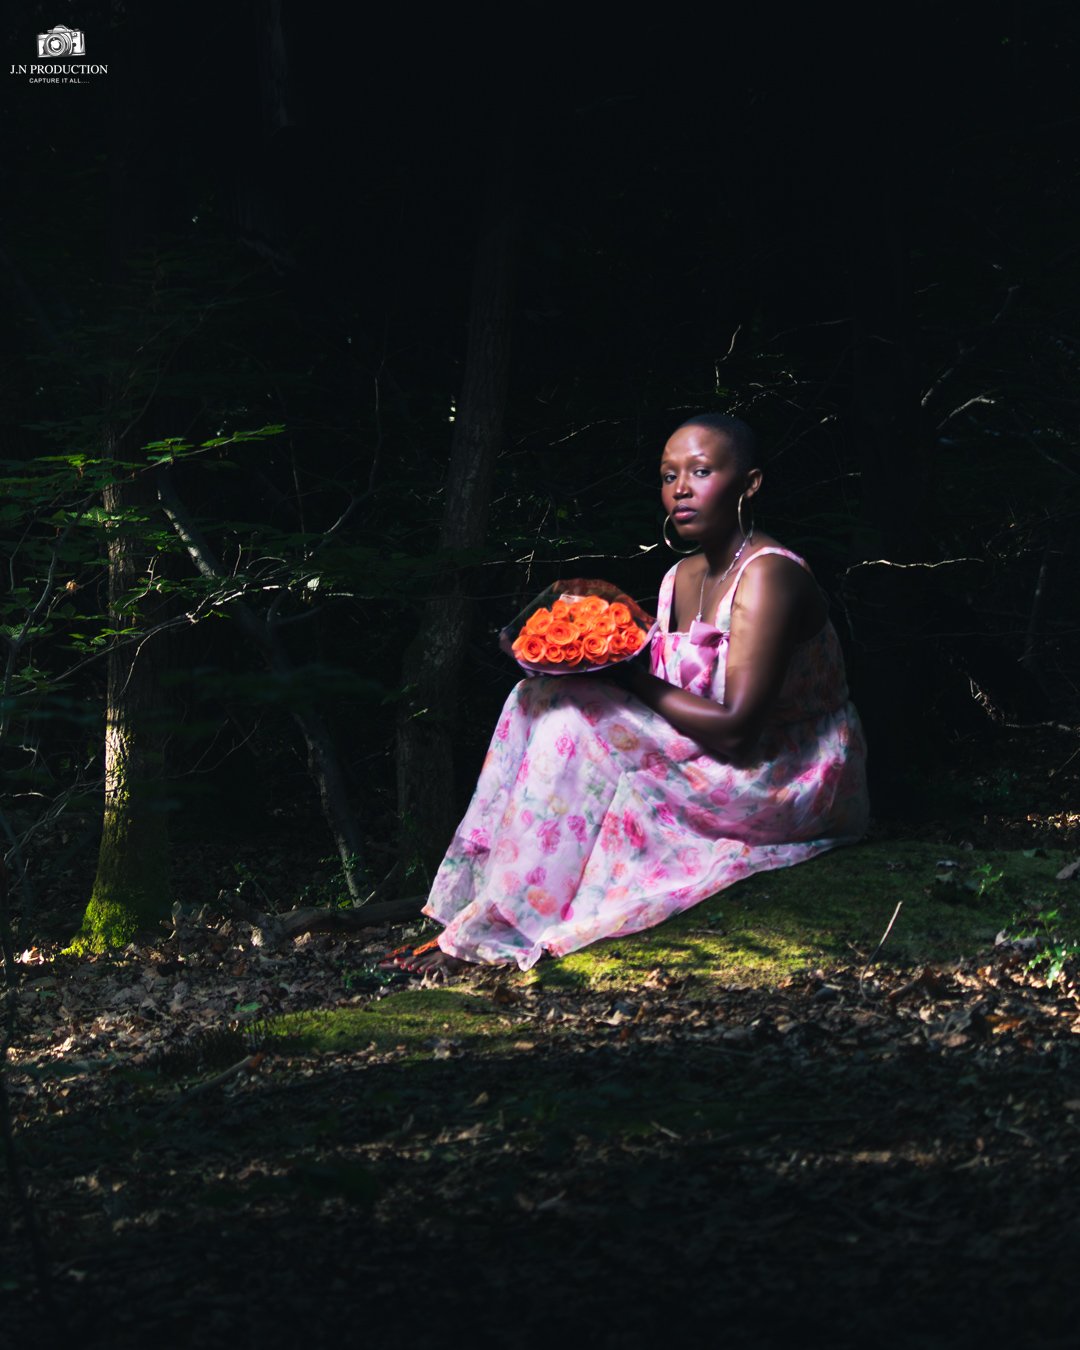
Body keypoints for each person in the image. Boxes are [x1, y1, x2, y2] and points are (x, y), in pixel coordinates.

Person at [395, 414, 868, 978]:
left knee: (572, 720)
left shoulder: (770, 577)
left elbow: (738, 726)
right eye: (669, 476)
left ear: (750, 483)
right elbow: (661, 686)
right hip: (708, 756)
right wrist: (569, 655)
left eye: (702, 471)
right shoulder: (679, 578)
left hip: (782, 773)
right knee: (535, 697)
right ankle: (486, 903)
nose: (682, 489)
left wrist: (619, 676)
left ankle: (510, 926)